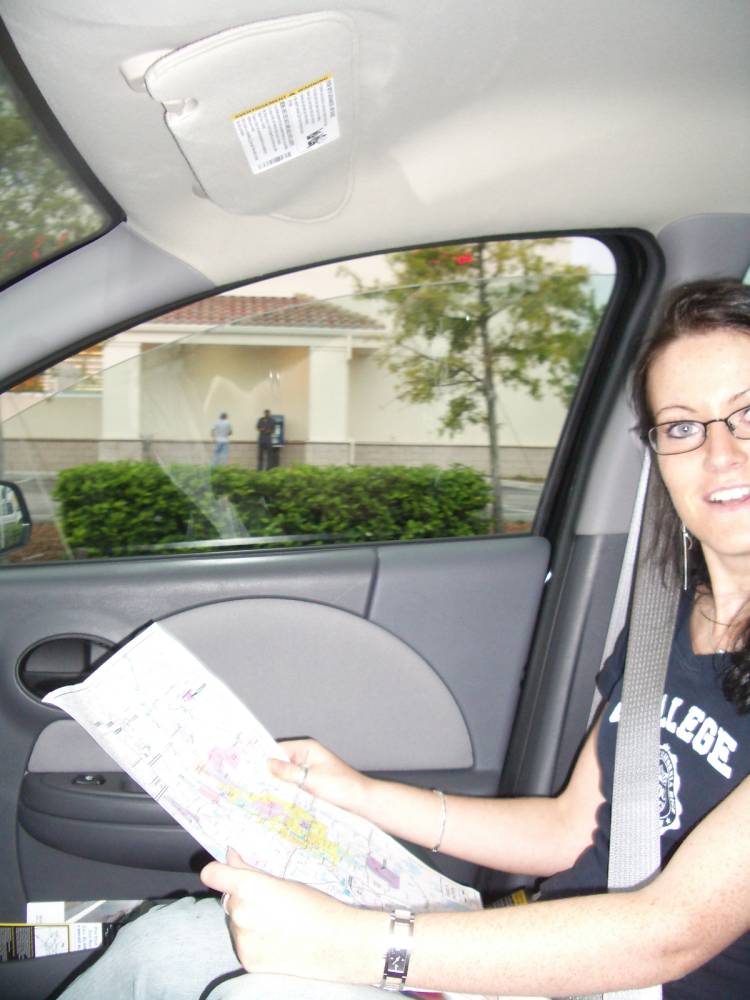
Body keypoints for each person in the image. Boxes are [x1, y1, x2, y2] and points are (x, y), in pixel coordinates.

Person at [58, 280, 750, 999]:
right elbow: (569, 831)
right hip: (558, 964)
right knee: (164, 945)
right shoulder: (662, 628)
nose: (721, 453)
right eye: (683, 427)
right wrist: (360, 795)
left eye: (746, 414)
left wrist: (364, 946)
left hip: (632, 975)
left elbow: (672, 932)